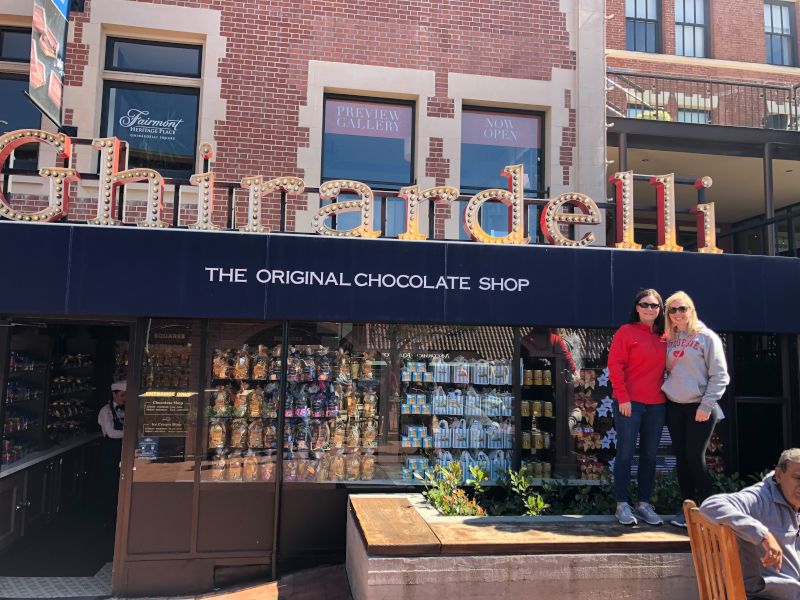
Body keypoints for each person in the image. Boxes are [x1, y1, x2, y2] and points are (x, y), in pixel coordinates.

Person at [662, 291, 730, 528]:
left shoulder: (707, 337)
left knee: (694, 458)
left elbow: (720, 375)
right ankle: (687, 508)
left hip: (699, 406)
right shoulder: (668, 338)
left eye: (682, 308)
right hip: (675, 406)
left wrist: (706, 404)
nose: (678, 313)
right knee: (681, 459)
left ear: (691, 310)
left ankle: (710, 510)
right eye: (673, 310)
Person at [701, 449, 800, 600]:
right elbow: (711, 505)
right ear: (779, 475)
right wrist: (763, 535)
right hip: (764, 595)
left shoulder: (793, 500)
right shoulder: (760, 498)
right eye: (797, 478)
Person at [608, 288, 667, 526]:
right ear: (637, 307)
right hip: (629, 403)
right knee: (625, 453)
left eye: (654, 305)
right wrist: (623, 398)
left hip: (657, 404)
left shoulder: (667, 336)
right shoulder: (626, 332)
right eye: (645, 304)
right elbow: (615, 365)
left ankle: (644, 504)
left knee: (650, 456)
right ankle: (622, 504)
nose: (649, 309)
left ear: (660, 309)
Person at [98, 380, 126, 524]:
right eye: (122, 395)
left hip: (121, 449)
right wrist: (129, 433)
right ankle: (107, 517)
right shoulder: (105, 411)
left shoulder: (124, 410)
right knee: (109, 480)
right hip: (110, 449)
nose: (124, 399)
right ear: (114, 395)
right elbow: (110, 433)